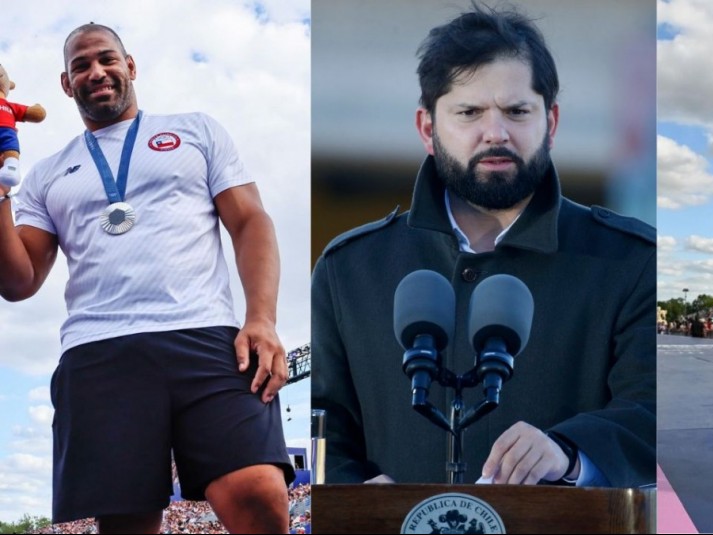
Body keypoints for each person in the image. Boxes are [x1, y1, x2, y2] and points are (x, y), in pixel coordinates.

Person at [312, 5, 656, 488]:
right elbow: (326, 425)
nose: (495, 133)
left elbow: (650, 407)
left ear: (551, 123)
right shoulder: (346, 270)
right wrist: (356, 498)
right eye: (469, 112)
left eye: (517, 111)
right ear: (428, 128)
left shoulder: (632, 261)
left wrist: (571, 451)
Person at [0, 23, 295, 533]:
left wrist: (262, 318)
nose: (96, 72)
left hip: (205, 335)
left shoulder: (196, 131)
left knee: (258, 493)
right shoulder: (47, 173)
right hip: (100, 349)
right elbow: (19, 280)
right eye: (81, 67)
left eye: (106, 59)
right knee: (126, 525)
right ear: (67, 85)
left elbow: (250, 222)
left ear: (130, 66)